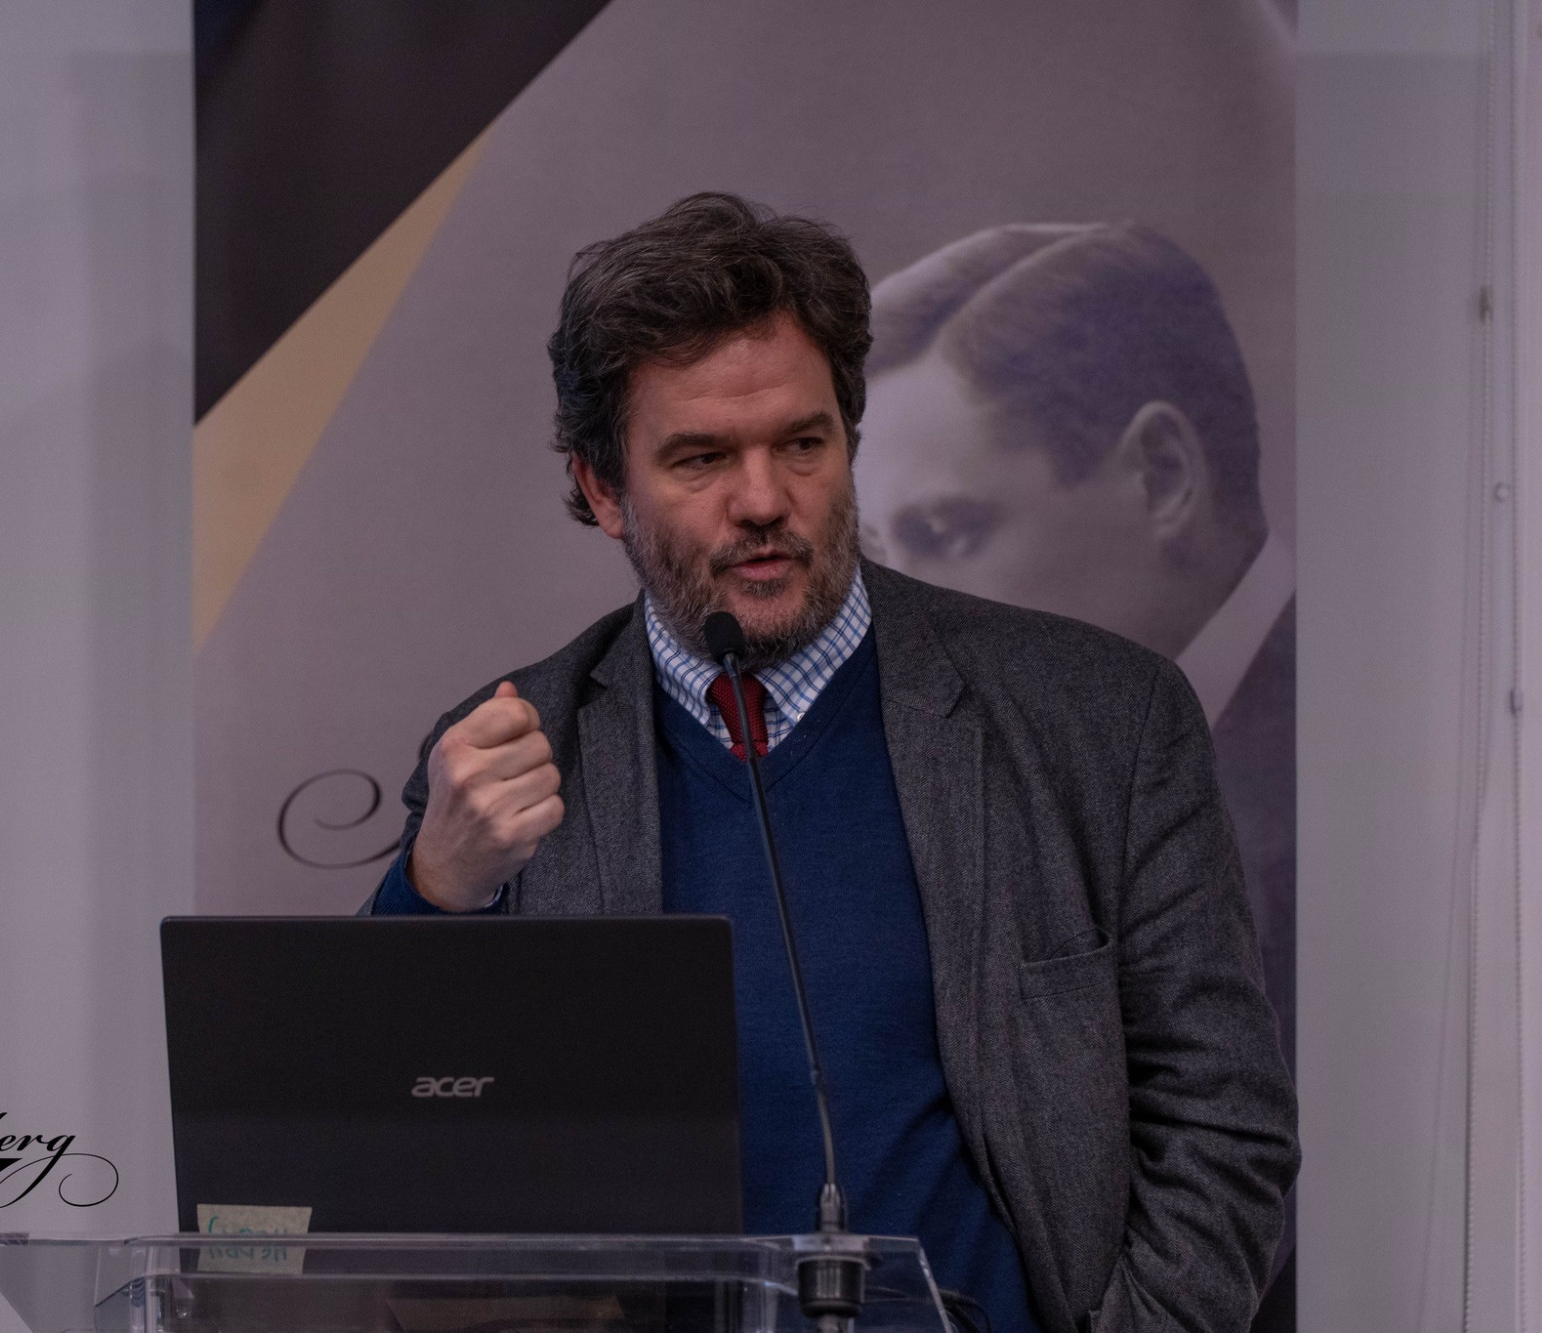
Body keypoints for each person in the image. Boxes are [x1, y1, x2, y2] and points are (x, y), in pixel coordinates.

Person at [367, 194, 1297, 1333]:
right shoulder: (516, 751)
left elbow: (1221, 1122)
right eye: (702, 457)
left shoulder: (1104, 719)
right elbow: (372, 1165)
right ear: (604, 489)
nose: (764, 501)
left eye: (801, 445)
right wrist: (434, 891)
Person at [853, 224, 1297, 1325]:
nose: (895, 610)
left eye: (946, 531)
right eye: (880, 555)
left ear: (1162, 475)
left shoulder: (1328, 790)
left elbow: (1241, 1173)